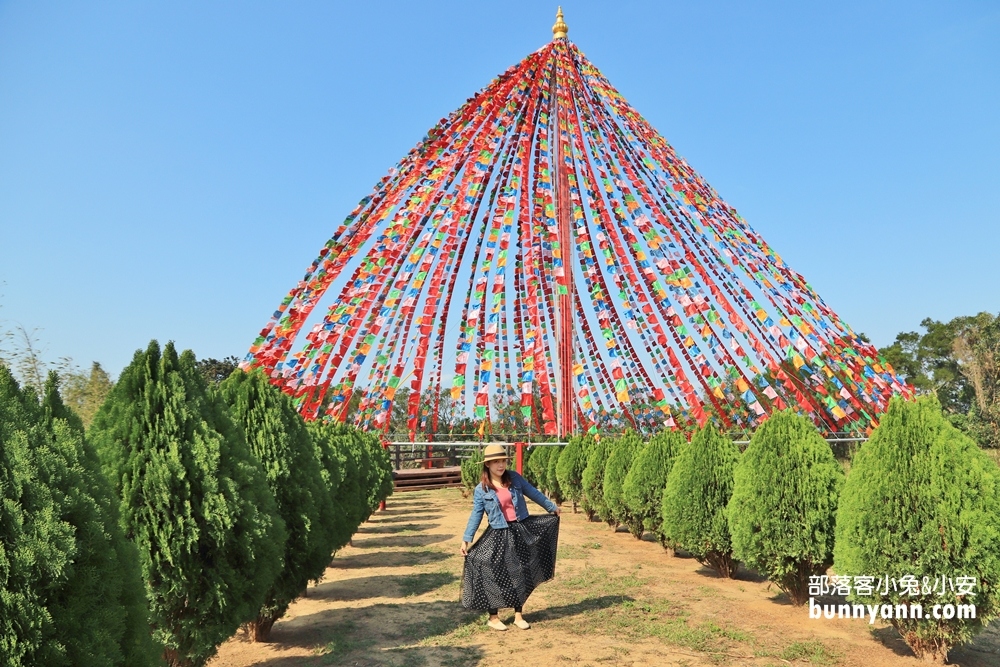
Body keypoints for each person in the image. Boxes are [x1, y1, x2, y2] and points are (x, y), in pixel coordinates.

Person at [460, 444, 561, 631]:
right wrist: (467, 539)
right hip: (497, 533)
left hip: (520, 529)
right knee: (494, 572)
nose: (500, 465)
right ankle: (493, 617)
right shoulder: (481, 489)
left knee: (521, 571)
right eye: (496, 462)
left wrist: (551, 507)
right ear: (488, 465)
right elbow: (476, 514)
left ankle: (518, 615)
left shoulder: (514, 478)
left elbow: (533, 493)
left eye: (503, 461)